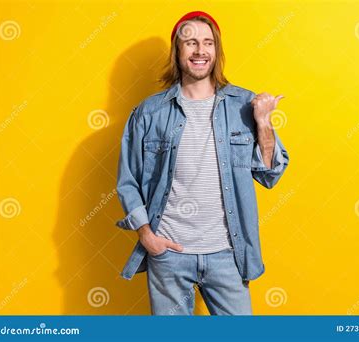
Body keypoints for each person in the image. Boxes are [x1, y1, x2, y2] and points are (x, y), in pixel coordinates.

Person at [115, 10, 289, 315]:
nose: (200, 51)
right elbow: (128, 180)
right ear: (177, 51)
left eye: (208, 43)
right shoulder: (149, 113)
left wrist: (263, 124)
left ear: (217, 51)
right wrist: (147, 236)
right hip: (168, 255)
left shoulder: (243, 105)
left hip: (228, 253)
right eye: (191, 42)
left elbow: (270, 174)